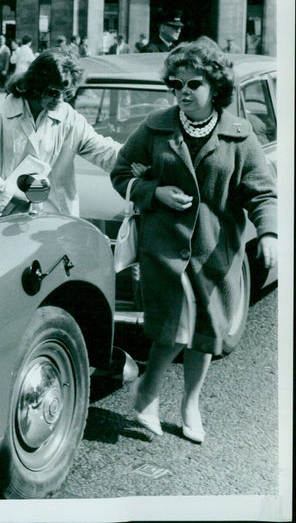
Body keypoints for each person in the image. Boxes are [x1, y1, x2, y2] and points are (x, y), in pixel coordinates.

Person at [110, 37, 277, 443]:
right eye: (177, 85)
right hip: (164, 250)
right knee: (172, 329)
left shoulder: (240, 136)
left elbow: (263, 193)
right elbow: (121, 174)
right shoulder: (155, 129)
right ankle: (148, 390)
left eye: (194, 84)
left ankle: (189, 403)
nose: (183, 92)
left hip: (216, 252)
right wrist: (154, 192)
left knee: (206, 333)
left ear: (214, 88)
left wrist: (269, 232)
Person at [0, 49, 121, 229]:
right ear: (36, 85)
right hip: (0, 219)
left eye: (66, 93)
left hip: (50, 221)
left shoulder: (68, 116)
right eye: (54, 92)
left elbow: (101, 149)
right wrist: (9, 195)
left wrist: (140, 155)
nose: (60, 100)